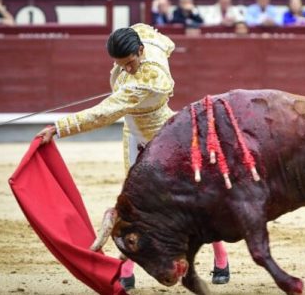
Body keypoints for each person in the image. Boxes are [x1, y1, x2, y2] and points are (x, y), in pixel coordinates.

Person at [36, 23, 231, 290]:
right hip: (133, 135)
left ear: (140, 50)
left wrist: (59, 128)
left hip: (164, 137)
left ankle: (221, 257)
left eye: (129, 63)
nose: (125, 69)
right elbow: (164, 41)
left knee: (192, 198)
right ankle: (126, 266)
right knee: (131, 203)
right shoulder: (145, 40)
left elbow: (104, 112)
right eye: (119, 64)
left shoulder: (150, 78)